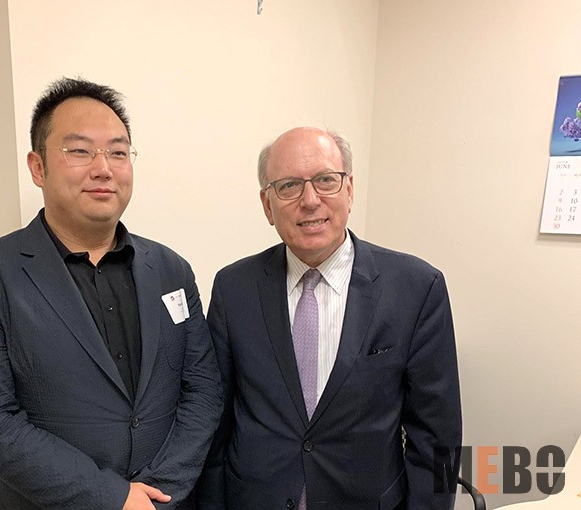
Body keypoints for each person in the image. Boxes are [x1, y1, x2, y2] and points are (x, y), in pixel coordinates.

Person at [0, 77, 222, 510]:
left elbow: (202, 390)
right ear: (38, 167)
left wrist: (158, 493)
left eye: (118, 152)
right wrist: (114, 497)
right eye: (79, 150)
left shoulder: (172, 270)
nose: (103, 168)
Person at [196, 127, 462, 510]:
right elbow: (215, 424)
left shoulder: (417, 288)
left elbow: (437, 437)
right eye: (289, 186)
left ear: (349, 190)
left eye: (325, 180)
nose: (310, 200)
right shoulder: (233, 288)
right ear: (267, 205)